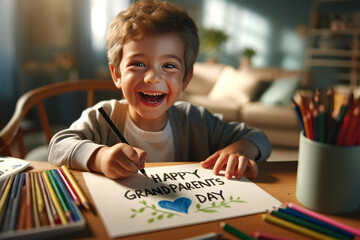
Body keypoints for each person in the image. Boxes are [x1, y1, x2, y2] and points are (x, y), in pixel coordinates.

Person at [48, 0, 271, 180]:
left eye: (169, 66)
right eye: (138, 64)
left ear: (185, 78)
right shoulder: (102, 117)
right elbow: (58, 147)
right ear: (116, 74)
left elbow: (258, 137)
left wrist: (241, 149)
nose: (153, 78)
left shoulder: (196, 120)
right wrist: (100, 156)